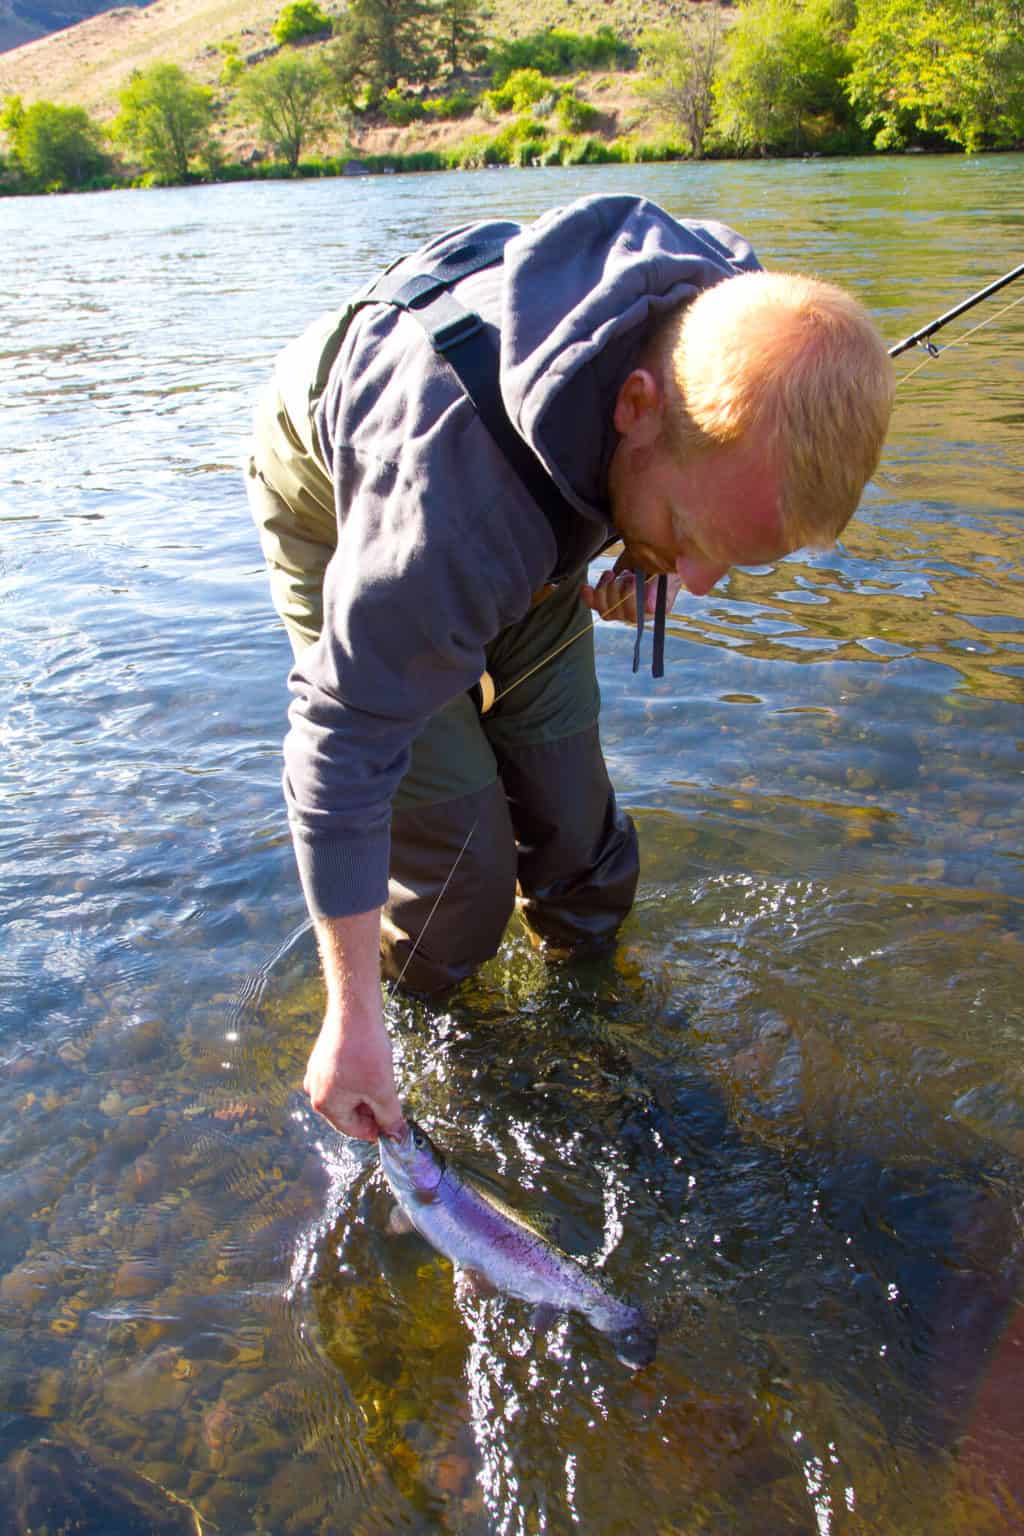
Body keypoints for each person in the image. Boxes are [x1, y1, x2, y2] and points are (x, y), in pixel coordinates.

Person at [246, 193, 894, 1144]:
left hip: (534, 482)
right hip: (350, 493)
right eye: (695, 541)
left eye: (732, 558)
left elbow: (687, 478)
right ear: (636, 407)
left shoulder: (732, 320)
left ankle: (594, 1033)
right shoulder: (447, 527)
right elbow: (339, 749)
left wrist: (651, 544)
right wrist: (351, 1022)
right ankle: (433, 1053)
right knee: (458, 891)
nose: (700, 585)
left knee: (582, 852)